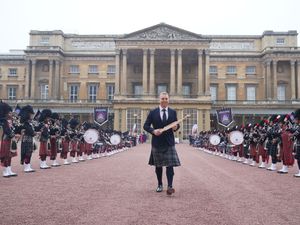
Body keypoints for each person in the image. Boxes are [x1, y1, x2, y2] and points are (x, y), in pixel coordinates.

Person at [143, 92, 181, 195]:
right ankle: (160, 184)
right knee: (158, 166)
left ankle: (170, 186)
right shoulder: (153, 112)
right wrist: (153, 131)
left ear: (169, 100)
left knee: (170, 165)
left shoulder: (173, 112)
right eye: (162, 98)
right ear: (159, 100)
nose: (164, 100)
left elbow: (177, 125)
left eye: (166, 98)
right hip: (157, 142)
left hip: (169, 142)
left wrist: (175, 127)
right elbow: (145, 126)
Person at [0, 101, 18, 177]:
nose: (10, 114)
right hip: (6, 139)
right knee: (5, 155)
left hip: (10, 140)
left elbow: (12, 129)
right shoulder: (4, 121)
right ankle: (5, 171)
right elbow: (7, 131)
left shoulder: (9, 120)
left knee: (10, 155)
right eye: (9, 112)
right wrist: (14, 135)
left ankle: (9, 169)